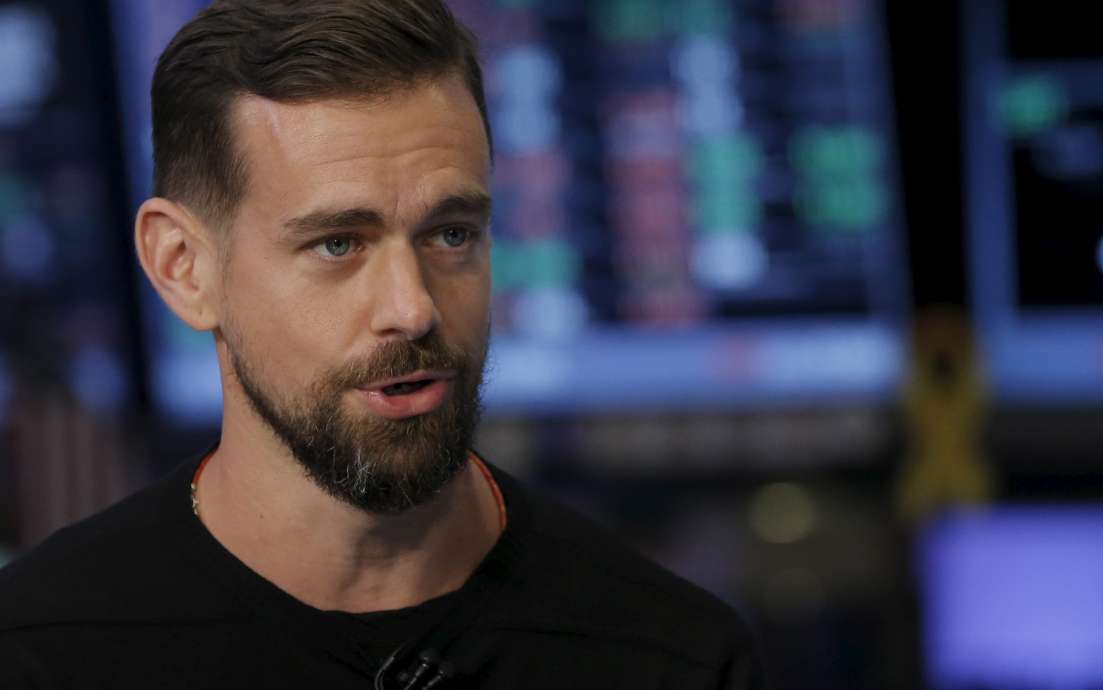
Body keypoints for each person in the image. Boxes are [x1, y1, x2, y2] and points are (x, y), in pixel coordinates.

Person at [0, 1, 768, 688]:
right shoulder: (41, 652)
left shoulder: (673, 658)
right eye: (339, 244)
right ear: (183, 268)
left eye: (451, 234)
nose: (413, 308)